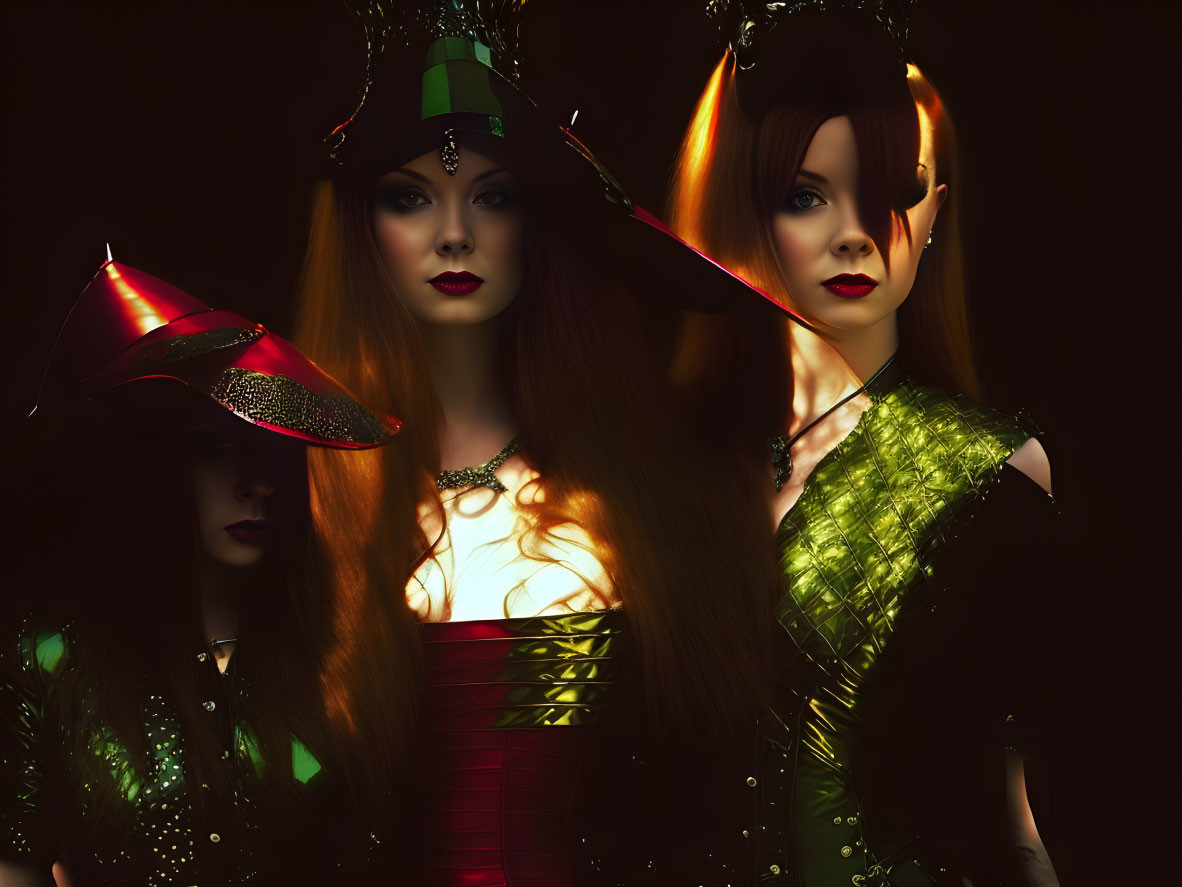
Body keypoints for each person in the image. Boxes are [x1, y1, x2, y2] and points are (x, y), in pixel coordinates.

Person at [294, 2, 783, 883]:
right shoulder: (303, 508)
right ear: (364, 228)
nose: (454, 232)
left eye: (492, 195)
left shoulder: (639, 504)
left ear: (536, 224)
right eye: (412, 197)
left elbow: (706, 807)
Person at [666, 6, 1060, 885]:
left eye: (895, 190)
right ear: (747, 210)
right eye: (806, 195)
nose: (855, 232)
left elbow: (1012, 802)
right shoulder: (662, 462)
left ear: (936, 211)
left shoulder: (992, 469)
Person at [0, 259, 399, 886]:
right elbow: (15, 862)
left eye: (271, 454)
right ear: (157, 468)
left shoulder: (331, 660)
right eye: (216, 449)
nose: (257, 485)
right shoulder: (52, 655)